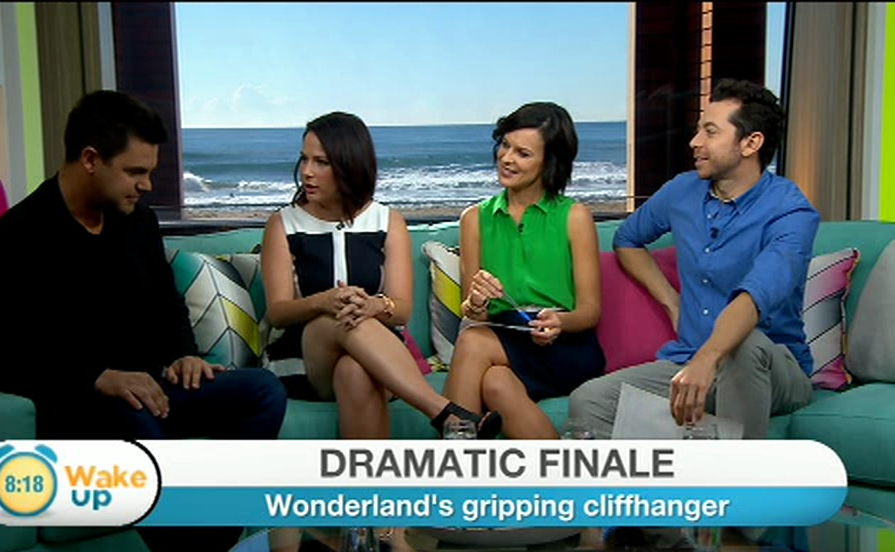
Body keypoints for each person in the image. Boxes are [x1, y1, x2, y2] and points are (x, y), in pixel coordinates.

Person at [0, 90, 288, 552]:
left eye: (150, 172)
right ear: (90, 160)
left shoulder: (136, 221)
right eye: (135, 172)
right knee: (132, 416)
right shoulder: (15, 240)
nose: (147, 185)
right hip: (73, 404)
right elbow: (7, 357)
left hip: (150, 390)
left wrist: (184, 354)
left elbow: (167, 304)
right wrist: (98, 377)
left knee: (261, 392)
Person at [569, 79, 819, 440]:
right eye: (699, 129)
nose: (695, 142)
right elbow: (628, 239)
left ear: (751, 143)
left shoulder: (790, 211)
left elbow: (755, 296)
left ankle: (736, 473)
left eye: (710, 132)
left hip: (773, 368)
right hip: (689, 359)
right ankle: (683, 464)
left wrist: (708, 357)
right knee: (590, 401)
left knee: (745, 346)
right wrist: (671, 301)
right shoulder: (682, 191)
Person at [259, 110, 501, 440]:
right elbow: (278, 312)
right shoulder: (283, 224)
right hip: (304, 357)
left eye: (321, 162)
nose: (307, 172)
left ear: (349, 164)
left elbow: (402, 309)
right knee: (338, 317)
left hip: (379, 357)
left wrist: (374, 306)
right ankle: (443, 411)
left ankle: (372, 476)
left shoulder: (387, 221)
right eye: (304, 159)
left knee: (354, 371)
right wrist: (325, 301)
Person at [438, 102, 606, 440]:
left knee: (472, 342)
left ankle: (449, 460)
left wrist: (560, 322)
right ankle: (564, 470)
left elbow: (590, 311)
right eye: (505, 145)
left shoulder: (574, 217)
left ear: (549, 161)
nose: (506, 158)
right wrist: (477, 301)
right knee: (495, 381)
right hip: (503, 334)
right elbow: (472, 311)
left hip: (564, 344)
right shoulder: (474, 219)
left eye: (523, 153)